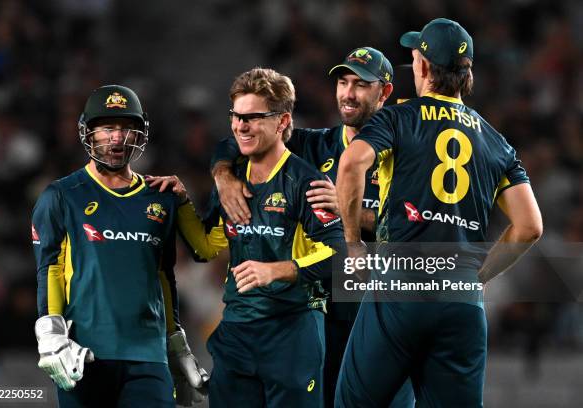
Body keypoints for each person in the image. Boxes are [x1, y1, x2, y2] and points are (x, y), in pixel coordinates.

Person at [335, 18, 543, 407]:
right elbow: (530, 226)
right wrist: (477, 275)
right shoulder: (498, 143)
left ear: (425, 68)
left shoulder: (398, 117)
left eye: (414, 59)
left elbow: (350, 165)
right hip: (461, 301)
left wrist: (353, 245)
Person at [208, 47, 414, 407]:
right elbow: (241, 138)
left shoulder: (409, 157)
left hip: (384, 316)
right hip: (324, 315)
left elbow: (419, 233)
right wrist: (223, 175)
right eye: (343, 82)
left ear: (384, 93)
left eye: (361, 85)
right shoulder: (314, 145)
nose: (348, 93)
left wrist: (348, 210)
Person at [163, 67, 345, 407]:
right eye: (236, 116)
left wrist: (277, 270)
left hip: (292, 330)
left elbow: (339, 256)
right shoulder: (231, 183)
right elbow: (207, 247)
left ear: (282, 121)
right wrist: (183, 202)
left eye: (252, 118)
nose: (240, 126)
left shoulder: (306, 183)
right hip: (236, 331)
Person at [31, 85, 209, 407]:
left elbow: (164, 276)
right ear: (90, 132)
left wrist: (176, 344)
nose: (117, 137)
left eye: (127, 128)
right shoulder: (61, 196)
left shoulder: (162, 197)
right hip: (83, 355)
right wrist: (50, 333)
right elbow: (51, 268)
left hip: (149, 357)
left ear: (141, 134)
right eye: (108, 128)